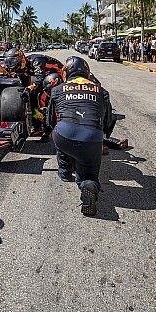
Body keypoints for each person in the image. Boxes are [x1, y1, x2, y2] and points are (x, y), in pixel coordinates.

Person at [46, 56, 114, 217]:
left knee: (61, 136)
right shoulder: (101, 91)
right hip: (91, 137)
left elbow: (50, 121)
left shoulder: (57, 90)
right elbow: (108, 120)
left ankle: (64, 171)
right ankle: (88, 185)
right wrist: (103, 137)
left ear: (66, 73)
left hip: (64, 134)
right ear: (87, 72)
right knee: (89, 175)